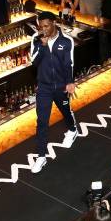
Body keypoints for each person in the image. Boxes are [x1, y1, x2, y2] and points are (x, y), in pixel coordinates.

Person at [30, 12, 78, 173]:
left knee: (65, 111)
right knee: (42, 121)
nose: (43, 29)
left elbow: (68, 63)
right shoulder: (36, 40)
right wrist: (42, 46)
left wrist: (70, 82)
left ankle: (72, 130)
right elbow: (34, 62)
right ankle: (41, 156)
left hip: (60, 86)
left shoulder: (66, 41)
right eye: (40, 27)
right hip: (44, 87)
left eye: (46, 26)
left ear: (54, 23)